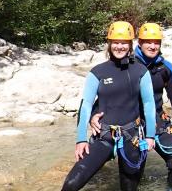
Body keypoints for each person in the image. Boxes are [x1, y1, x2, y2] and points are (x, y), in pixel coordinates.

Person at [90, 23, 172, 190]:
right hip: (131, 122)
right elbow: (106, 94)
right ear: (139, 42)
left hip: (158, 118)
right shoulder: (126, 64)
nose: (152, 46)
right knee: (133, 172)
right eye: (148, 42)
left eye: (156, 42)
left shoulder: (165, 67)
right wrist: (94, 114)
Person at [62, 21, 156, 191]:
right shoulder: (97, 72)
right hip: (104, 136)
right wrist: (81, 139)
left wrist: (150, 135)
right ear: (109, 43)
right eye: (115, 42)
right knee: (71, 184)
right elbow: (86, 105)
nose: (119, 47)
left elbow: (149, 104)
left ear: (130, 45)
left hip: (131, 136)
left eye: (124, 43)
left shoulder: (141, 71)